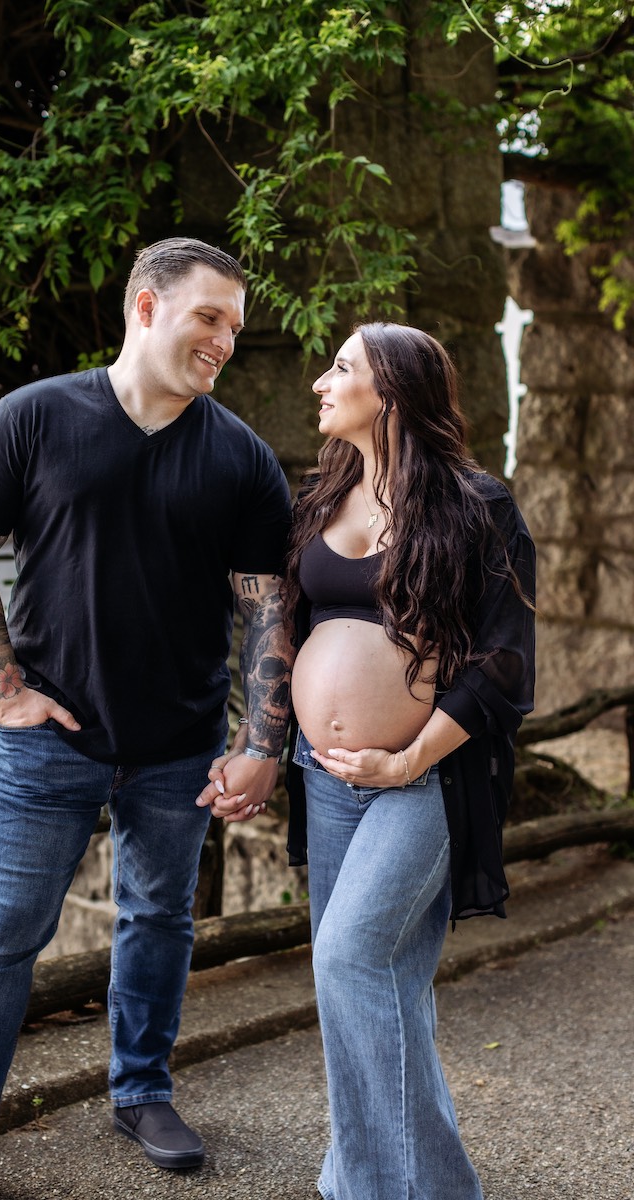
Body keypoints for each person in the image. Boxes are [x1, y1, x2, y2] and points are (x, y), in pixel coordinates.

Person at [0, 238, 294, 1200]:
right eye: (209, 317)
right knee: (2, 937)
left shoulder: (240, 456)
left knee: (160, 919)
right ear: (145, 307)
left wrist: (262, 740)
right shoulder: (34, 417)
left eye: (236, 329)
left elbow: (268, 608)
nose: (224, 342)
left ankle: (142, 1092)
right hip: (50, 746)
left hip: (179, 747)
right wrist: (6, 692)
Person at [283, 322, 536, 1200]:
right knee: (375, 977)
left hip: (427, 775)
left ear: (390, 392)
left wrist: (406, 758)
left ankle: (375, 1186)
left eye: (342, 367)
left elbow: (505, 660)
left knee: (352, 957)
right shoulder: (324, 495)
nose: (322, 381)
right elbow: (295, 625)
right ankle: (375, 1174)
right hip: (326, 776)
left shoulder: (477, 505)